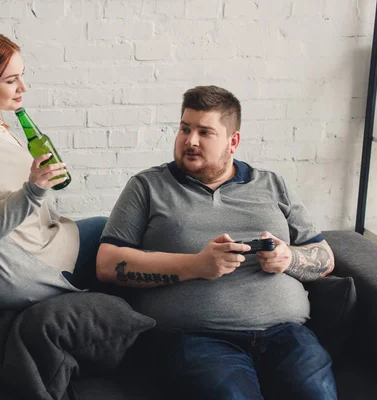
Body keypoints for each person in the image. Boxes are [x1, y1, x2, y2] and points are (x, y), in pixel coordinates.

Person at [96, 85, 337, 399]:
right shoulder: (148, 186)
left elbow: (325, 257)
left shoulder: (271, 185)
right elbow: (106, 263)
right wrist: (195, 265)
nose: (190, 140)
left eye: (204, 132)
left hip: (288, 334)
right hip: (198, 339)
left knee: (315, 393)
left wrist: (289, 258)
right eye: (185, 129)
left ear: (233, 141)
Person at [0, 32, 106, 310]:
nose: (22, 87)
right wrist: (33, 191)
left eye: (21, 76)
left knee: (106, 230)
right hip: (12, 274)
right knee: (110, 232)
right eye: (11, 81)